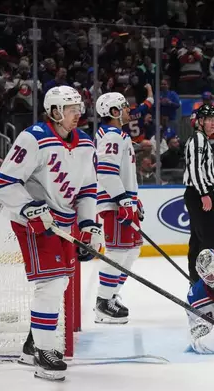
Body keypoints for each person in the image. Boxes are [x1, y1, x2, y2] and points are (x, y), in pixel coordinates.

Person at [0, 86, 102, 381]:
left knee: (60, 283)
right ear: (54, 111)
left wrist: (88, 223)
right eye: (71, 109)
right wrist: (30, 207)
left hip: (64, 224)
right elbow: (4, 183)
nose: (78, 114)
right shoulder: (33, 138)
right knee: (51, 284)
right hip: (34, 222)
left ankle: (31, 347)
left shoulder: (86, 144)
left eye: (79, 108)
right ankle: (43, 352)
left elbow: (88, 189)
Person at [93, 92, 145, 323]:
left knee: (132, 250)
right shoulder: (112, 136)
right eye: (124, 108)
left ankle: (111, 295)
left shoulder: (118, 135)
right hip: (114, 204)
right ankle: (103, 303)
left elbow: (123, 174)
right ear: (114, 112)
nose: (128, 111)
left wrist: (134, 199)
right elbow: (106, 172)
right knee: (118, 251)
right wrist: (124, 200)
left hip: (123, 201)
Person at [184, 104, 214, 283]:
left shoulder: (202, 140)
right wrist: (204, 193)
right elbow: (194, 169)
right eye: (209, 120)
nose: (213, 123)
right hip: (199, 192)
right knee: (209, 241)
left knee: (199, 240)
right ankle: (206, 282)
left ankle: (197, 280)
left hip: (199, 192)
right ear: (200, 121)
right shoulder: (198, 139)